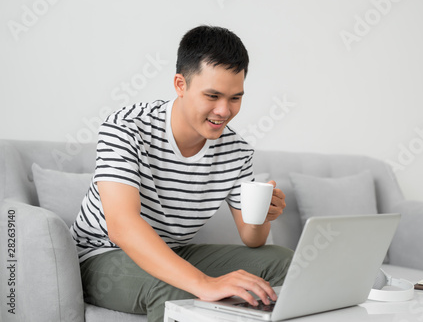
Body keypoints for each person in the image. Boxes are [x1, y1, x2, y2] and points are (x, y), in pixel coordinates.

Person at [69, 25, 293, 322]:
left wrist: (262, 216)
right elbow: (121, 226)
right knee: (178, 289)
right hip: (102, 255)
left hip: (176, 251)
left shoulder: (237, 150)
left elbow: (252, 239)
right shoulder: (125, 127)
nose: (224, 111)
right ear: (180, 84)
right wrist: (203, 283)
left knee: (287, 263)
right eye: (212, 96)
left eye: (235, 98)